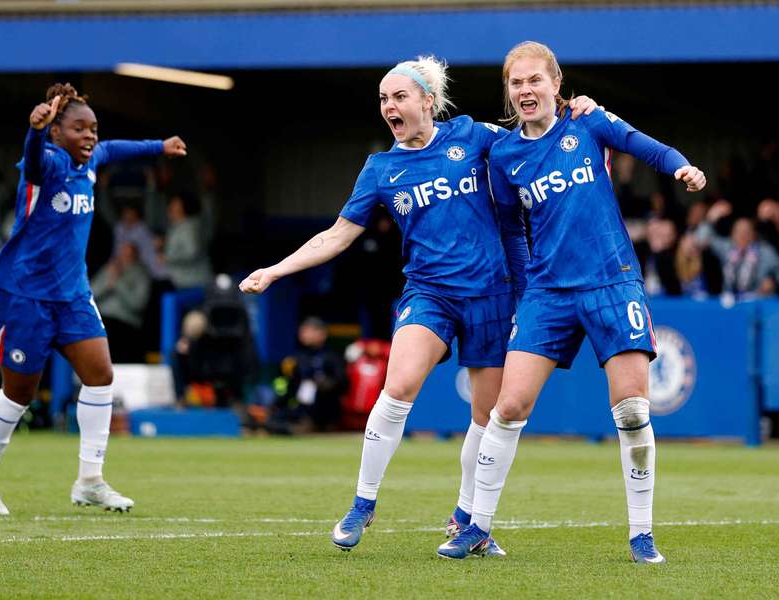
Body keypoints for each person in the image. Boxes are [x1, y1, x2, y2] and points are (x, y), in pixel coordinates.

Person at [240, 55, 598, 554]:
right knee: (399, 385)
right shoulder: (380, 169)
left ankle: (466, 519)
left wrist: (578, 115)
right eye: (383, 99)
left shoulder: (472, 135)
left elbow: (532, 139)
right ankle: (363, 503)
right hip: (429, 293)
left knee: (486, 416)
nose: (390, 105)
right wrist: (276, 270)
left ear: (428, 101)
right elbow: (337, 235)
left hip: (493, 295)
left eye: (399, 96)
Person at [436, 41, 706, 563]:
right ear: (509, 92)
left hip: (611, 283)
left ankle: (642, 535)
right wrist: (524, 288)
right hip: (547, 292)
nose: (526, 90)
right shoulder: (505, 156)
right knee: (508, 407)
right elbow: (511, 229)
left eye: (535, 80)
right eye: (516, 83)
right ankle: (476, 528)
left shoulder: (588, 123)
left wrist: (682, 167)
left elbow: (644, 146)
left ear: (556, 84)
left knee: (632, 411)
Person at [0, 83, 186, 515]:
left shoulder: (93, 159)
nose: (89, 136)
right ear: (56, 132)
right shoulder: (46, 162)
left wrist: (159, 146)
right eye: (79, 129)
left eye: (93, 129)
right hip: (24, 294)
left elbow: (115, 149)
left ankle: (90, 480)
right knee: (19, 394)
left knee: (100, 375)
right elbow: (31, 161)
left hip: (72, 295)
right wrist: (34, 132)